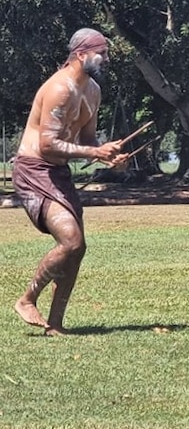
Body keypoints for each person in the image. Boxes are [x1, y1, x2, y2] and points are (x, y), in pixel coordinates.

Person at [12, 28, 125, 335]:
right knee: (71, 240)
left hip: (58, 173)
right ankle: (26, 299)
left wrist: (107, 155)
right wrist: (94, 150)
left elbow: (87, 140)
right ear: (81, 55)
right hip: (34, 170)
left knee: (78, 248)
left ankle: (56, 323)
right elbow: (48, 144)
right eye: (101, 52)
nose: (106, 58)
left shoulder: (93, 91)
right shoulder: (60, 88)